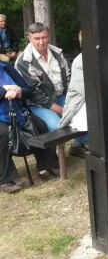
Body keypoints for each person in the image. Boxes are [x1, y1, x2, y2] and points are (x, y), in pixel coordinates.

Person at [0, 62, 59, 192]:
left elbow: (27, 89)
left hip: (18, 112)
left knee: (41, 125)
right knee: (3, 134)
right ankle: (5, 180)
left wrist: (19, 91)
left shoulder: (7, 67)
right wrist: (4, 91)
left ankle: (45, 166)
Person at [15, 23, 70, 132]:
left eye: (44, 37)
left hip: (62, 95)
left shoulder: (57, 53)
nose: (41, 42)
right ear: (29, 38)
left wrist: (72, 101)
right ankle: (55, 148)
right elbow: (33, 94)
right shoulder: (23, 62)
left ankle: (78, 145)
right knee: (56, 126)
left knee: (84, 115)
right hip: (37, 103)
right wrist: (60, 110)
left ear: (48, 36)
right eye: (37, 38)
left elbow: (69, 77)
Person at [58, 31, 89, 158]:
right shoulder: (79, 62)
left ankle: (79, 144)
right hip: (81, 104)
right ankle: (80, 142)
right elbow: (88, 92)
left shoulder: (104, 57)